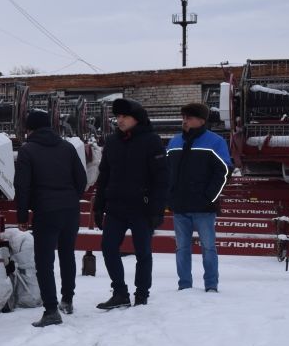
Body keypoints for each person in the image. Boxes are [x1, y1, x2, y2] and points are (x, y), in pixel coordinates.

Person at [14, 109, 88, 327]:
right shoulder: (67, 147)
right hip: (70, 211)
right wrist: (71, 197)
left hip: (46, 212)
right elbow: (81, 179)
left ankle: (51, 310)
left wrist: (22, 214)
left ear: (30, 129)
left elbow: (22, 186)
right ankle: (68, 299)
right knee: (67, 254)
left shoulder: (28, 151)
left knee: (44, 262)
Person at [93, 98, 168, 309]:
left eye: (124, 116)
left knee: (143, 252)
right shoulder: (113, 141)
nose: (120, 120)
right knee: (108, 248)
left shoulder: (152, 141)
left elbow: (161, 179)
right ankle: (119, 292)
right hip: (115, 207)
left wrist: (157, 210)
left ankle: (142, 293)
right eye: (117, 117)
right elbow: (104, 175)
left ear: (137, 119)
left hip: (141, 208)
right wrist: (99, 205)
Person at [166, 102, 232, 292]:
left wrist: (209, 198)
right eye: (183, 117)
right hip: (180, 207)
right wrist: (169, 197)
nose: (184, 120)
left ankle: (211, 285)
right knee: (182, 249)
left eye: (189, 117)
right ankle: (184, 285)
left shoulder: (215, 142)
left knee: (209, 248)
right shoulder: (175, 142)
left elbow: (224, 172)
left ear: (202, 120)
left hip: (204, 208)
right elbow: (166, 172)